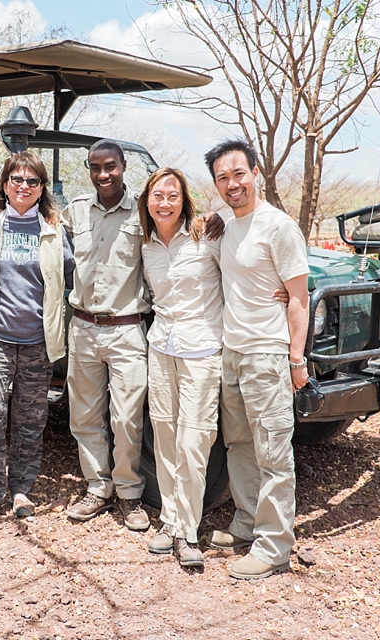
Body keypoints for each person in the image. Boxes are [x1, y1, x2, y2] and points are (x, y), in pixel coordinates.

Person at [205, 139, 310, 580]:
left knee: (273, 452)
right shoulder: (226, 224)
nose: (232, 184)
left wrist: (296, 359)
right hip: (233, 351)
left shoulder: (278, 226)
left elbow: (299, 298)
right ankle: (247, 523)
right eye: (222, 178)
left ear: (255, 174)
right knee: (240, 445)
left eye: (238, 174)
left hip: (267, 355)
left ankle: (274, 546)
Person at [0, 152, 75, 521]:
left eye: (32, 181)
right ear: (5, 184)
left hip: (37, 344)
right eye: (17, 179)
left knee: (30, 421)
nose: (24, 186)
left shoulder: (54, 231)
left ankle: (22, 490)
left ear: (42, 188)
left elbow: (71, 274)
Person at [62, 140, 151, 531]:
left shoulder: (145, 210)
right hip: (82, 328)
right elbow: (38, 220)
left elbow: (182, 229)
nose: (103, 174)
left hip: (127, 329)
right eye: (96, 167)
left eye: (110, 166)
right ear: (88, 169)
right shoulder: (77, 209)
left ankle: (129, 493)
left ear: (124, 166)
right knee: (83, 416)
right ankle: (97, 487)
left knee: (127, 418)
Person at [139, 167, 225, 567]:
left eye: (172, 195)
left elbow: (243, 264)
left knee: (195, 441)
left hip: (202, 349)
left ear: (184, 199)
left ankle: (187, 532)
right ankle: (170, 519)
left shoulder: (207, 235)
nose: (165, 202)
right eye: (158, 195)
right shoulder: (147, 243)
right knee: (165, 436)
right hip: (161, 346)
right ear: (147, 200)